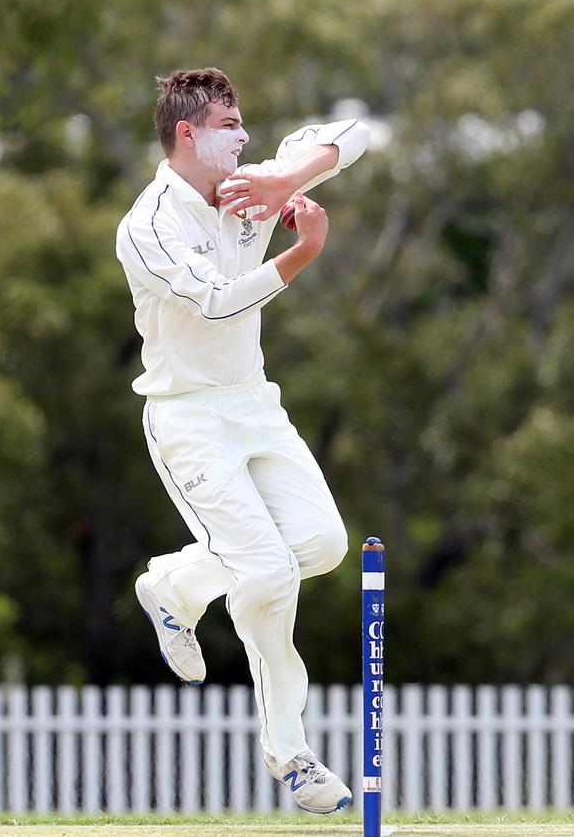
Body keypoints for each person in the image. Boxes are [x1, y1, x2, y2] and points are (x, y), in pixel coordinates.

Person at [116, 68, 369, 814]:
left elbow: (348, 135)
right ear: (187, 133)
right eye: (230, 124)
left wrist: (283, 179)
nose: (245, 136)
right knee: (267, 568)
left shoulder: (251, 181)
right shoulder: (148, 224)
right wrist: (302, 253)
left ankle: (178, 586)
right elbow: (221, 303)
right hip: (186, 414)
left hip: (255, 404)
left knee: (320, 544)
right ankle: (292, 754)